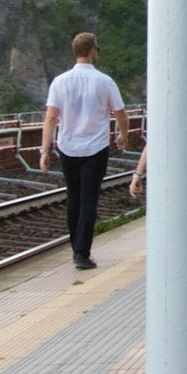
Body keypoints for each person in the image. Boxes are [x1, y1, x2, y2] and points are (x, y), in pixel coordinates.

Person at [41, 31, 125, 271]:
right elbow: (121, 113)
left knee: (73, 198)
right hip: (96, 148)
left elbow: (50, 118)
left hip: (67, 148)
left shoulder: (59, 81)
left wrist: (44, 150)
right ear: (92, 51)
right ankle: (82, 252)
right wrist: (123, 135)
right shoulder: (105, 81)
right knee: (89, 200)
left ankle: (75, 248)